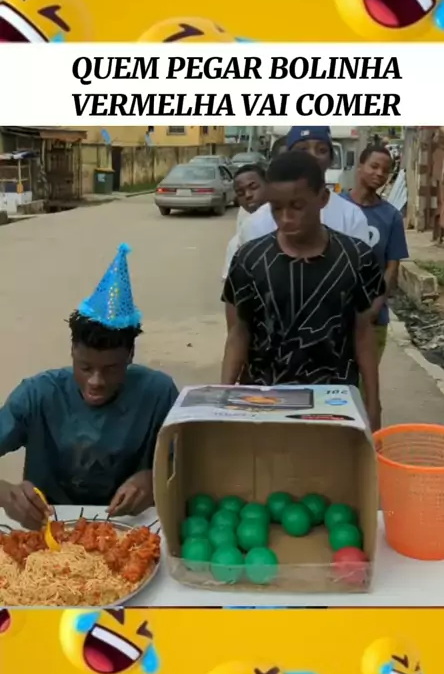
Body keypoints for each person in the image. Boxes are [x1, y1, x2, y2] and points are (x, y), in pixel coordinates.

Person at [0, 243, 178, 529]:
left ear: (130, 355)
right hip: (48, 530)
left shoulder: (158, 394)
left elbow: (191, 465)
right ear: (72, 351)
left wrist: (155, 478)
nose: (96, 382)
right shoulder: (37, 395)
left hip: (132, 528)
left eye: (111, 369)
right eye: (85, 368)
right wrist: (4, 493)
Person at [221, 153, 385, 431]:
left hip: (335, 408)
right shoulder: (249, 259)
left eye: (297, 206)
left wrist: (372, 404)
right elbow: (239, 332)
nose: (285, 218)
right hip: (263, 406)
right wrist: (223, 399)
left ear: (323, 198)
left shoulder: (356, 258)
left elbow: (363, 333)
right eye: (276, 208)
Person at [237, 126, 370, 245]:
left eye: (321, 150)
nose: (312, 155)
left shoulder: (351, 217)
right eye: (302, 149)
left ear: (331, 159)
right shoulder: (256, 224)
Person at [344, 144, 409, 362]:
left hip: (373, 320)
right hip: (334, 318)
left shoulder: (391, 217)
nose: (380, 173)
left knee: (365, 379)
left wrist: (375, 307)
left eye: (386, 170)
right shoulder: (336, 207)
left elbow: (391, 267)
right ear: (360, 166)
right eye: (374, 166)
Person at [222, 164, 267, 282]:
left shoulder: (288, 222)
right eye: (240, 193)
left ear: (269, 185)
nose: (248, 195)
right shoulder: (237, 242)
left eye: (253, 187)